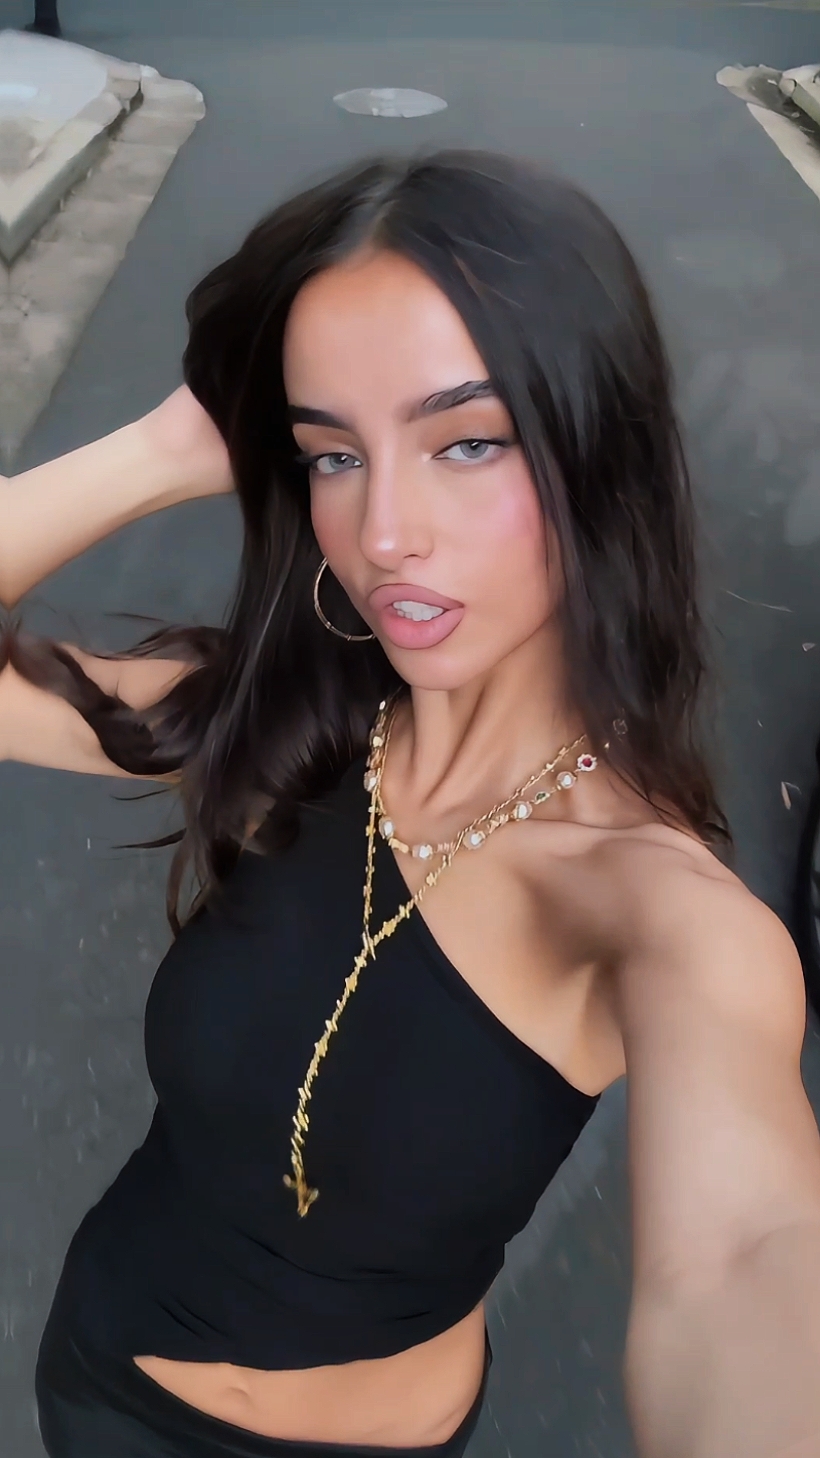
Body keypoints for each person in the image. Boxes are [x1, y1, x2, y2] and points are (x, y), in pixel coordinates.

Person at [2, 149, 820, 1458]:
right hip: (96, 1375)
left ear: (598, 450)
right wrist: (161, 451)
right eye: (332, 454)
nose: (383, 532)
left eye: (468, 441)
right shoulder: (285, 729)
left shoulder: (654, 911)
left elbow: (745, 1258)